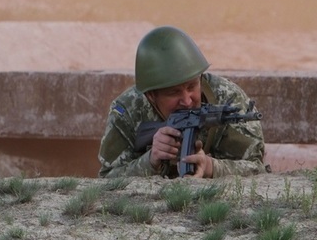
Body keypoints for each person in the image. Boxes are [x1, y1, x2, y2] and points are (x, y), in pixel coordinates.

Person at [98, 26, 267, 178]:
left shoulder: (229, 100)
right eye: (174, 92)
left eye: (192, 86)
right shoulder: (128, 110)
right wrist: (149, 161)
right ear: (151, 96)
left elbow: (257, 170)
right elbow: (107, 179)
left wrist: (211, 167)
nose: (187, 100)